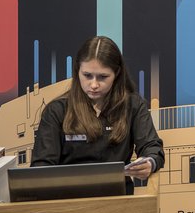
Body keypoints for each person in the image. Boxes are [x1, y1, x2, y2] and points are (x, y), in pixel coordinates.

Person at [32, 36, 164, 193]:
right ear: (77, 71)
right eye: (87, 75)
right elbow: (41, 167)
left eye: (102, 77)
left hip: (118, 198)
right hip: (67, 200)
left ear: (117, 74)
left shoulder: (133, 105)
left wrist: (149, 163)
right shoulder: (56, 110)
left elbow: (152, 148)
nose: (94, 85)